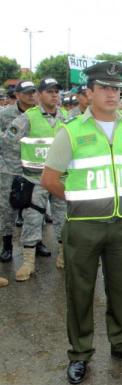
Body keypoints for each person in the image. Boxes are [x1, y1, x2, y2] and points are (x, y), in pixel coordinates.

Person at [40, 61, 122, 385]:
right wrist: (79, 199)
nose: (112, 94)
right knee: (80, 291)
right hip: (84, 225)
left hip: (120, 224)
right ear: (88, 93)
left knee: (121, 288)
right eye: (104, 88)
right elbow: (49, 179)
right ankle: (80, 353)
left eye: (116, 89)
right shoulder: (71, 131)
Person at [4, 77, 67, 279]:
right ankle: (29, 262)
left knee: (64, 217)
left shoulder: (65, 117)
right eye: (49, 91)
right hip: (34, 180)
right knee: (32, 219)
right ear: (39, 95)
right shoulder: (28, 118)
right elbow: (9, 144)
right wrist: (18, 172)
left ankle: (64, 256)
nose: (54, 95)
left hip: (60, 180)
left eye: (57, 91)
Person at [0, 80, 37, 263]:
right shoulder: (6, 114)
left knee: (34, 207)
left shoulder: (38, 114)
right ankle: (7, 245)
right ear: (18, 95)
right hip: (9, 168)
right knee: (7, 207)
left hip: (33, 168)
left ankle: (36, 243)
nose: (31, 95)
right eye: (27, 92)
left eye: (33, 92)